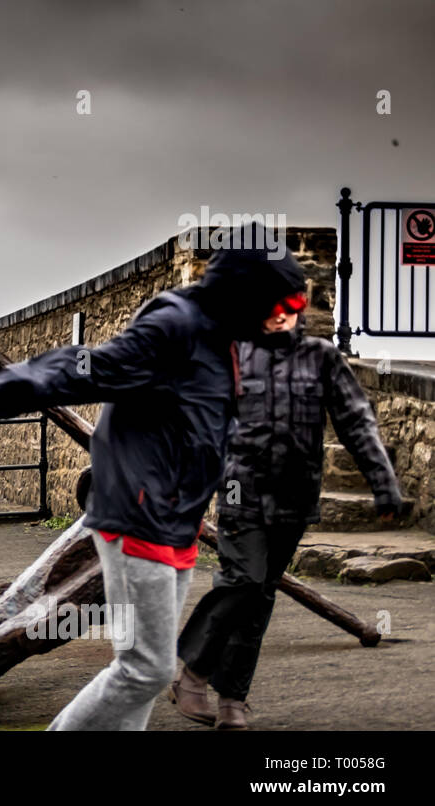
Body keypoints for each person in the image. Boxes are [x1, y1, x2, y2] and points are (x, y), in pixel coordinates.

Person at [0, 242, 306, 731]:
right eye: (284, 306)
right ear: (244, 295)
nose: (289, 318)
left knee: (141, 668)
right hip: (138, 514)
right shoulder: (175, 326)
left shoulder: (231, 338)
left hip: (177, 519)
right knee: (148, 668)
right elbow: (88, 366)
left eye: (298, 307)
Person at [171, 290, 402, 730]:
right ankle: (194, 674)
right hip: (241, 489)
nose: (278, 316)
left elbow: (355, 419)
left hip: (295, 498)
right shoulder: (233, 353)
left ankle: (232, 700)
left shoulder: (322, 358)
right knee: (243, 580)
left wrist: (382, 482)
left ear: (301, 308)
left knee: (258, 598)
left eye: (288, 308)